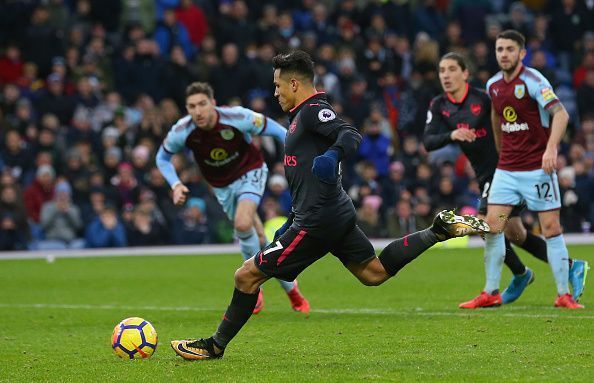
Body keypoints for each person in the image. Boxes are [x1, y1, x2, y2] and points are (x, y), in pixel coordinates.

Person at [169, 50, 490, 361]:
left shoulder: (312, 111)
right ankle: (436, 231)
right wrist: (291, 218)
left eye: (278, 85)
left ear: (295, 84)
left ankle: (214, 346)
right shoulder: (299, 116)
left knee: (245, 276)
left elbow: (349, 133)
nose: (275, 92)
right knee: (373, 273)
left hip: (316, 222)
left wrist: (333, 155)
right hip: (327, 213)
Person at [423, 52, 589, 307]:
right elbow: (428, 141)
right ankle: (564, 267)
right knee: (516, 234)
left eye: (451, 69)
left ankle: (512, 279)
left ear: (465, 73)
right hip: (486, 175)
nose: (445, 75)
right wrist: (453, 134)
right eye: (442, 70)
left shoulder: (484, 98)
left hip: (504, 171)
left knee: (485, 224)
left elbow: (514, 118)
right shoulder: (438, 105)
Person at [156, 81, 310, 314]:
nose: (197, 111)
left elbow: (278, 131)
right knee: (259, 239)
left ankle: (253, 288)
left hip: (251, 172)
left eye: (202, 104)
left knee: (242, 223)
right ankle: (293, 292)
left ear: (213, 103)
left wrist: (295, 156)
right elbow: (162, 159)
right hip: (222, 188)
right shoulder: (182, 130)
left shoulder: (237, 117)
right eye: (191, 106)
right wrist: (176, 184)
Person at [467, 30, 586, 309]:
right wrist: (501, 152)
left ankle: (562, 294)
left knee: (551, 227)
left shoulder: (534, 81)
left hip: (536, 169)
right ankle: (490, 291)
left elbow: (561, 113)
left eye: (509, 49)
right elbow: (497, 116)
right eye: (499, 49)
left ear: (522, 53)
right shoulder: (493, 84)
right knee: (493, 227)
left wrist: (551, 149)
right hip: (507, 171)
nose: (504, 54)